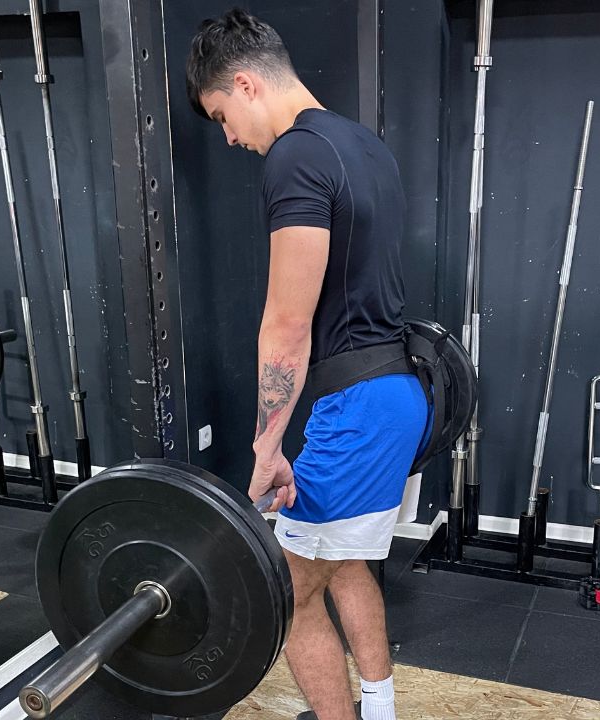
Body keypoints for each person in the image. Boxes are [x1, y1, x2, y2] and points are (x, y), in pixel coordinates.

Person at [187, 9, 427, 720]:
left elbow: (288, 324)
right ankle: (375, 710)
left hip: (356, 410)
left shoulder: (296, 155)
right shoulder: (363, 146)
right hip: (395, 395)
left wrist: (265, 447)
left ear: (244, 83)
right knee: (346, 564)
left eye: (221, 115)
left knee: (282, 596)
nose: (229, 137)